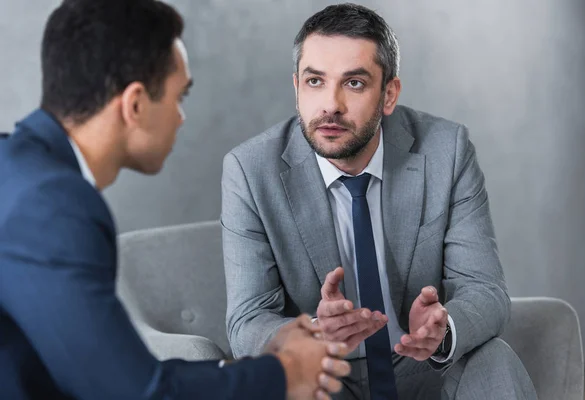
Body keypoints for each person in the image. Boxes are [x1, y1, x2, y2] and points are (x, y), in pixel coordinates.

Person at [0, 1, 351, 399]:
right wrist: (284, 375)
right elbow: (136, 392)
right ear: (134, 105)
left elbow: (106, 371)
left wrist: (258, 367)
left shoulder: (17, 169)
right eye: (177, 97)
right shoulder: (53, 206)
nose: (181, 117)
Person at [221, 3, 537, 399]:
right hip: (323, 376)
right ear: (297, 88)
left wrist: (441, 329)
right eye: (315, 81)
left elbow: (485, 289)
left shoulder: (446, 151)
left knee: (494, 358)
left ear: (389, 94)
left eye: (353, 83)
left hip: (424, 367)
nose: (331, 104)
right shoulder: (250, 171)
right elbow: (248, 320)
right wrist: (312, 334)